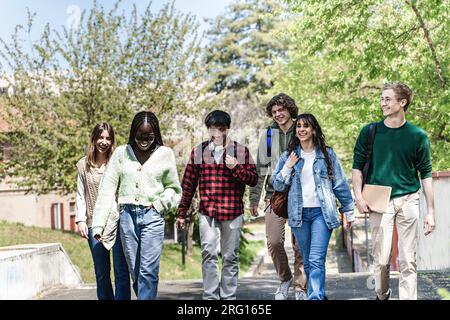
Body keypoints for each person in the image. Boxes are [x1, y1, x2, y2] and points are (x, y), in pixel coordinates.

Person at [352, 82, 435, 300]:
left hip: (409, 199)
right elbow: (357, 168)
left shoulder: (418, 135)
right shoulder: (370, 132)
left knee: (408, 259)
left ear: (402, 102)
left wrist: (431, 212)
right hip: (379, 200)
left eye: (387, 99)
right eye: (381, 99)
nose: (383, 103)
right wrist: (359, 197)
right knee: (381, 259)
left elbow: (426, 174)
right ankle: (383, 293)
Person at [92, 111, 182, 300]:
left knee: (148, 271)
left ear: (155, 134)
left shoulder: (165, 154)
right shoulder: (121, 153)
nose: (144, 141)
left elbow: (174, 189)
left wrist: (159, 204)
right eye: (140, 136)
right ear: (133, 133)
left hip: (152, 216)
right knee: (135, 271)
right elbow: (106, 190)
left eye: (148, 137)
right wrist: (98, 225)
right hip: (127, 217)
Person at [176, 110, 258, 300]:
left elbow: (253, 179)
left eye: (221, 129)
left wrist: (236, 167)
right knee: (208, 253)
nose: (217, 134)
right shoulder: (199, 151)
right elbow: (188, 183)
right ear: (208, 130)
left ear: (227, 129)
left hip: (233, 211)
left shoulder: (241, 151)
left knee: (230, 257)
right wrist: (182, 212)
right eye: (213, 129)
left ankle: (228, 298)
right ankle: (210, 297)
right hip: (208, 212)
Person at [272, 113, 355, 300]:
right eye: (299, 126)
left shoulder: (327, 154)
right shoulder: (289, 156)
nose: (302, 129)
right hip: (298, 215)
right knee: (308, 262)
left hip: (322, 214)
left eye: (306, 126)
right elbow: (277, 185)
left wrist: (349, 211)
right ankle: (317, 294)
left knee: (316, 259)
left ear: (314, 129)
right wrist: (287, 167)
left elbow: (340, 184)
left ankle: (315, 297)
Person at [249, 93, 307, 300]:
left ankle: (301, 287)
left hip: (301, 195)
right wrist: (254, 198)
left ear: (289, 109)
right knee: (273, 241)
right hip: (275, 195)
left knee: (300, 244)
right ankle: (285, 279)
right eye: (274, 112)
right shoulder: (268, 134)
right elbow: (260, 167)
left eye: (281, 110)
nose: (278, 114)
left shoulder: (302, 128)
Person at [76, 123, 131, 300]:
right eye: (101, 137)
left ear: (112, 141)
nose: (104, 142)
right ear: (94, 139)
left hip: (117, 222)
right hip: (94, 225)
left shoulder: (118, 163)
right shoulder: (83, 165)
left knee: (121, 271)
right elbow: (80, 194)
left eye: (108, 138)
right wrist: (81, 220)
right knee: (101, 273)